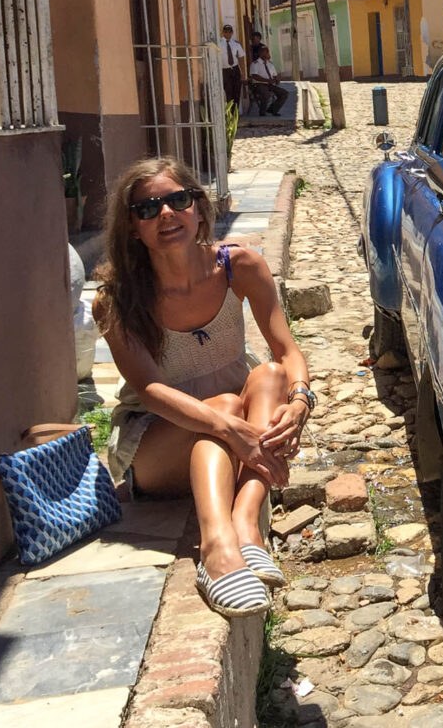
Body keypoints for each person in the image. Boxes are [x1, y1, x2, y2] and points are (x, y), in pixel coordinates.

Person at [93, 157, 313, 617]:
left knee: (270, 376)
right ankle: (216, 550)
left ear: (198, 207)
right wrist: (231, 429)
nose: (167, 214)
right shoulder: (117, 299)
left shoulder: (240, 266)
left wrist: (300, 400)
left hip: (237, 431)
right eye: (148, 208)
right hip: (157, 445)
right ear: (132, 227)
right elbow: (150, 390)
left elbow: (286, 350)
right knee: (225, 408)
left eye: (177, 200)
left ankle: (245, 524)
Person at [248, 46, 290, 117]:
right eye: (264, 52)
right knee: (266, 94)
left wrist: (277, 79)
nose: (266, 54)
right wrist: (267, 80)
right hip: (259, 85)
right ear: (260, 53)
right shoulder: (255, 64)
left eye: (267, 52)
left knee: (285, 93)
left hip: (270, 84)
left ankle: (273, 110)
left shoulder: (270, 64)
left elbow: (275, 75)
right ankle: (262, 112)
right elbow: (255, 76)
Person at [219, 24, 245, 108]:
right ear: (223, 33)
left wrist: (243, 72)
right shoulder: (219, 44)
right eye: (226, 32)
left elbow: (241, 58)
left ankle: (235, 113)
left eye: (230, 32)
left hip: (235, 69)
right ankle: (229, 113)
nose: (228, 34)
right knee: (229, 92)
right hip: (225, 70)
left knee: (237, 91)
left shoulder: (236, 44)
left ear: (232, 33)